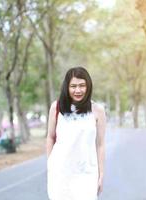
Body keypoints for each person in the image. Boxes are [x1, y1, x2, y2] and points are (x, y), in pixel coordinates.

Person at [46, 67, 106, 200]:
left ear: (88, 86)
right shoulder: (56, 108)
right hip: (60, 173)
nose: (78, 90)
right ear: (66, 87)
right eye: (73, 86)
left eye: (82, 86)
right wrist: (50, 163)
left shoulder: (97, 110)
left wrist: (101, 173)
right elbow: (50, 137)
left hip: (86, 173)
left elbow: (100, 144)